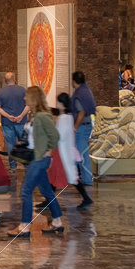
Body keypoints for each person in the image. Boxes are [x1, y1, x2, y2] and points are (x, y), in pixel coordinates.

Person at [9, 86, 63, 237]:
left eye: (27, 95)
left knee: (26, 191)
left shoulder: (43, 116)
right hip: (34, 158)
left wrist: (49, 151)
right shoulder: (34, 115)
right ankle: (57, 221)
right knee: (46, 191)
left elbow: (55, 136)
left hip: (39, 159)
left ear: (33, 98)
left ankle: (25, 226)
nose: (24, 98)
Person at [49, 93, 84, 203]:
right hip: (64, 150)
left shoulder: (63, 118)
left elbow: (59, 135)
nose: (56, 103)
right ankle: (49, 200)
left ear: (62, 104)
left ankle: (49, 200)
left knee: (58, 175)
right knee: (63, 175)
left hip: (61, 151)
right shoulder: (69, 117)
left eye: (58, 101)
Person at [69, 71, 95, 203]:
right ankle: (78, 178)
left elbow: (81, 112)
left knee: (81, 154)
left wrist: (74, 128)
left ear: (74, 81)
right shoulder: (86, 90)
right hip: (86, 125)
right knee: (81, 153)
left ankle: (86, 179)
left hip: (81, 126)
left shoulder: (79, 94)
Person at [0, 72, 27, 171]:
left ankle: (13, 166)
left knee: (10, 145)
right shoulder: (23, 90)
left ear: (5, 80)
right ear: (15, 78)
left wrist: (8, 116)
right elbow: (28, 105)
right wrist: (21, 116)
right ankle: (26, 166)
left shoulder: (1, 92)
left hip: (7, 122)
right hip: (21, 122)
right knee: (23, 144)